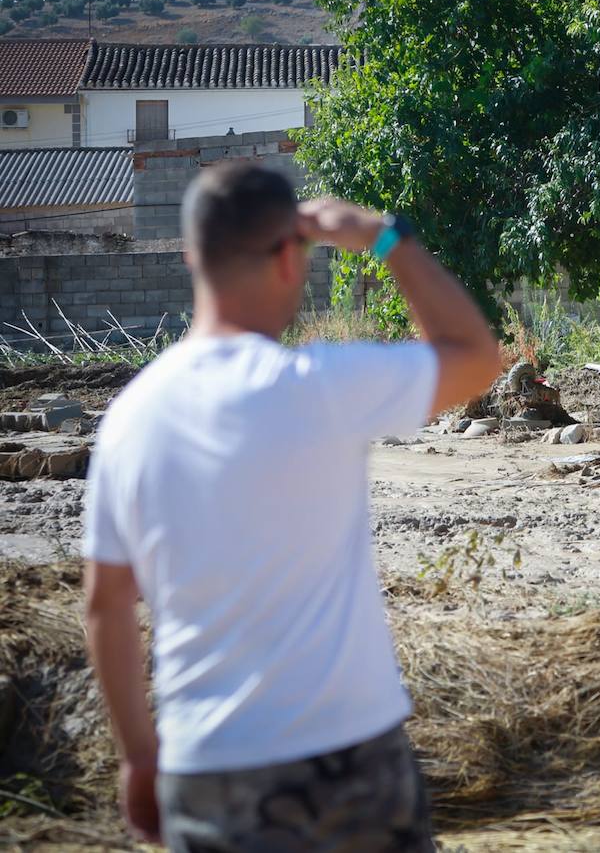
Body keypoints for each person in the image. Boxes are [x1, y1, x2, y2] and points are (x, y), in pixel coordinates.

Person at [82, 162, 502, 851]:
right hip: (349, 760)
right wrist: (382, 238)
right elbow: (475, 356)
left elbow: (106, 605)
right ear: (288, 257)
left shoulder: (128, 421)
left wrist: (139, 756)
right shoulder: (322, 386)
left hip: (206, 771)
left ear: (193, 257)